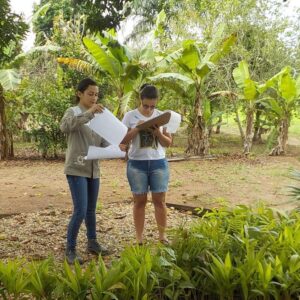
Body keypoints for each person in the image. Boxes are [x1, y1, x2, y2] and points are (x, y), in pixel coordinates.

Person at [60, 78, 110, 264]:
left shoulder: (99, 116)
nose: (94, 97)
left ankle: (92, 243)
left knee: (90, 210)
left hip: (93, 169)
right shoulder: (72, 112)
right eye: (90, 94)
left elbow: (102, 141)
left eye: (96, 94)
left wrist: (118, 143)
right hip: (76, 167)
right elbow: (65, 127)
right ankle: (70, 249)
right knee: (80, 210)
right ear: (79, 93)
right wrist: (89, 113)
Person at [121, 84, 172, 245]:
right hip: (137, 164)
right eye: (146, 105)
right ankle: (139, 238)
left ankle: (162, 236)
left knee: (160, 200)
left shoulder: (162, 116)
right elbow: (122, 141)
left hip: (158, 163)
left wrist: (157, 133)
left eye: (152, 106)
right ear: (140, 100)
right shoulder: (130, 116)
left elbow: (168, 143)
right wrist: (137, 128)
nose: (149, 110)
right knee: (139, 201)